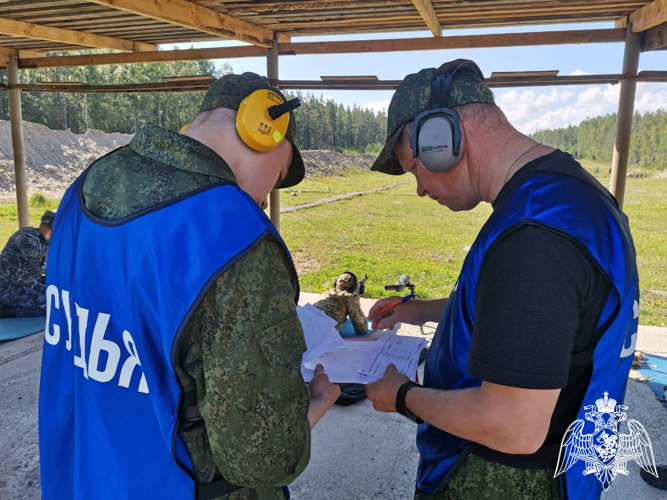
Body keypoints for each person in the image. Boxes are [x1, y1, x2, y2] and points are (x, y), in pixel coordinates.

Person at [39, 73, 340, 500]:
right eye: (282, 170)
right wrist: (317, 404)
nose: (271, 191)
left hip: (82, 479)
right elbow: (263, 458)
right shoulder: (232, 233)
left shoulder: (85, 187)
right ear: (265, 130)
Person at [364, 60, 639, 500]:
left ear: (442, 141)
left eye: (414, 169)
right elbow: (540, 315)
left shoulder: (534, 236)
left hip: (504, 479)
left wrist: (402, 395)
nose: (418, 189)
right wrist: (426, 310)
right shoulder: (562, 196)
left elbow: (513, 425)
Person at [0, 210, 55, 318]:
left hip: (26, 284)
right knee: (50, 307)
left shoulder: (47, 241)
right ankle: (7, 312)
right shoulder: (26, 235)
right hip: (6, 287)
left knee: (56, 297)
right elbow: (33, 252)